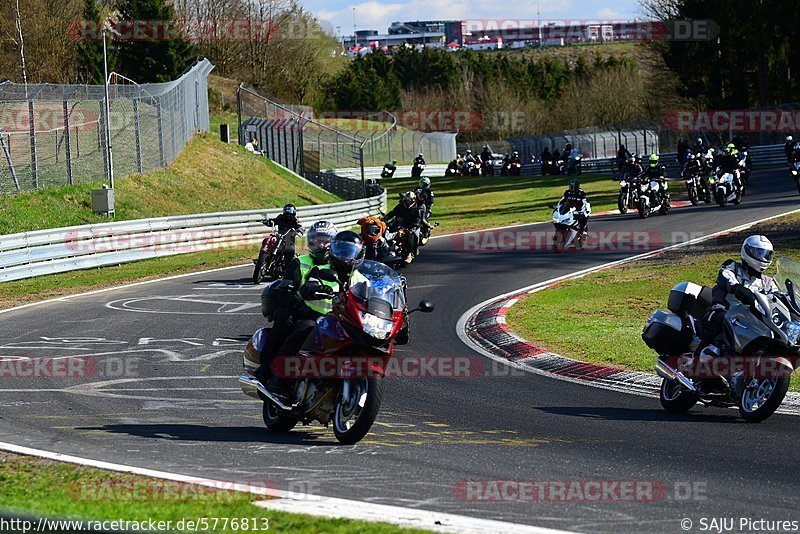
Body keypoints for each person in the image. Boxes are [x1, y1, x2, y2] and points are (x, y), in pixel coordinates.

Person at [253, 220, 338, 389]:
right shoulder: (299, 262)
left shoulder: (341, 264)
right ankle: (270, 368)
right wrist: (301, 307)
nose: (319, 244)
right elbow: (285, 290)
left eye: (324, 240)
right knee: (287, 318)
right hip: (302, 312)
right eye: (315, 240)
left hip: (336, 316)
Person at [698, 235, 779, 357]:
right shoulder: (732, 267)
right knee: (721, 318)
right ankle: (698, 354)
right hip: (724, 310)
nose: (762, 257)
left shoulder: (768, 282)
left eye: (766, 254)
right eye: (758, 253)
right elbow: (725, 276)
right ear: (747, 251)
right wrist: (736, 287)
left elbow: (778, 298)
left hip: (749, 319)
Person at [383, 191, 422, 263]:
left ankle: (410, 253)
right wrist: (384, 219)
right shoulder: (400, 206)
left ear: (413, 200)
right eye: (406, 200)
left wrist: (413, 228)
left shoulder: (417, 209)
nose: (407, 202)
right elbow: (392, 213)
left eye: (409, 200)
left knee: (413, 236)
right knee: (387, 232)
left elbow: (418, 220)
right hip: (400, 224)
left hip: (412, 226)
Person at [415, 177, 435, 241]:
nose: (422, 186)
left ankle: (426, 232)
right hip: (416, 206)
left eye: (424, 185)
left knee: (424, 217)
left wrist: (427, 206)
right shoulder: (417, 189)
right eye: (421, 184)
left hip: (426, 208)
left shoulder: (429, 192)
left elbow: (431, 201)